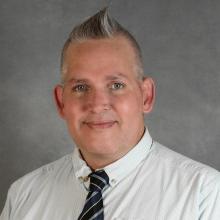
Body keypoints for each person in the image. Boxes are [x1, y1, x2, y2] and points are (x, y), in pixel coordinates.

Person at [1, 8, 220, 220]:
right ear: (61, 102)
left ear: (146, 96)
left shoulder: (205, 195)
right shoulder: (23, 196)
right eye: (80, 87)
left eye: (116, 85)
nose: (97, 104)